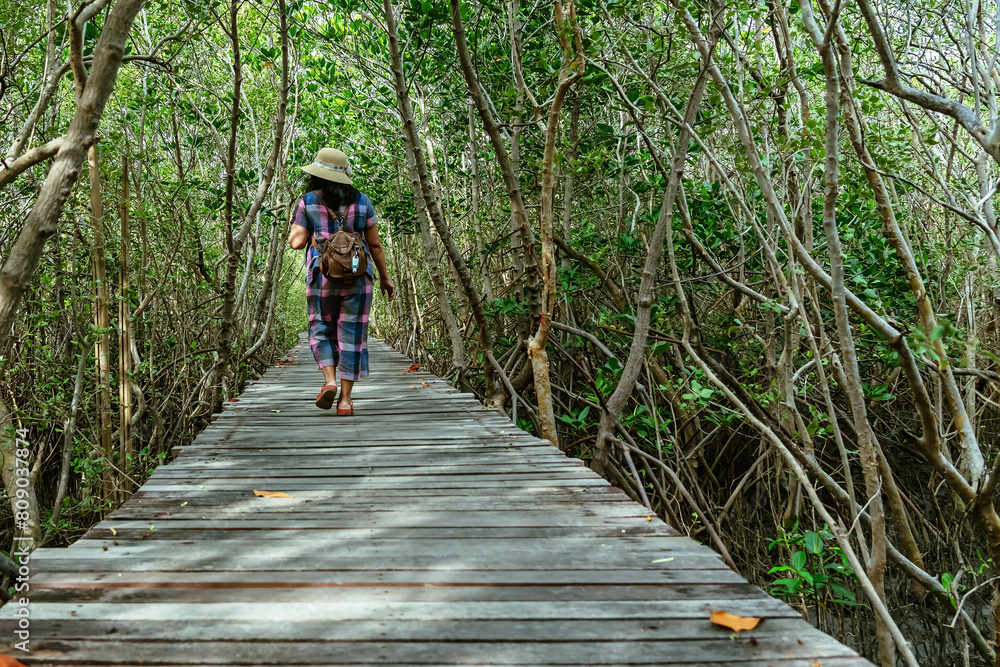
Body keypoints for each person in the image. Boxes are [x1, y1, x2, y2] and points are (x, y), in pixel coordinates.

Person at [288, 147, 395, 414]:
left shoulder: (308, 201)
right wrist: (385, 278)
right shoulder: (363, 201)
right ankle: (345, 402)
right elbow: (376, 245)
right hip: (359, 277)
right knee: (353, 333)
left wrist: (303, 227)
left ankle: (329, 381)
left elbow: (296, 243)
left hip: (322, 276)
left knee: (321, 328)